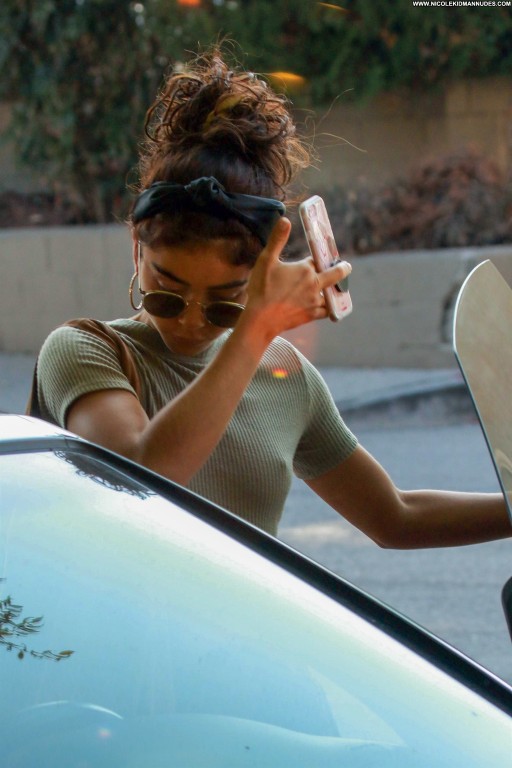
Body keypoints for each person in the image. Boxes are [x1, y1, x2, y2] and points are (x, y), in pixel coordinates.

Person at [34, 48, 511, 547]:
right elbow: (140, 474)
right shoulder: (86, 351)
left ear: (262, 275)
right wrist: (254, 327)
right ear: (137, 249)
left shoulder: (285, 374)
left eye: (224, 304)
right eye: (168, 296)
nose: (192, 321)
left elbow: (396, 515)